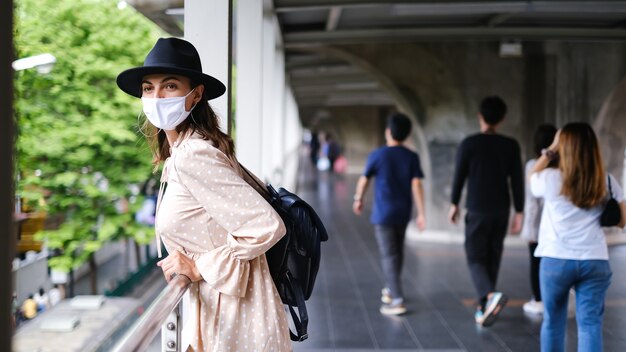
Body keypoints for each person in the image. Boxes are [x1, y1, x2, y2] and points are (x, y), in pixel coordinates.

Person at [117, 37, 291, 351]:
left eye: (170, 86)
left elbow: (267, 226)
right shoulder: (184, 150)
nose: (156, 96)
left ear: (195, 94)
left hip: (237, 314)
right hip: (222, 306)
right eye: (148, 88)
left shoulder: (193, 155)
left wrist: (199, 267)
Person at [530, 122, 626, 351]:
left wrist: (551, 148)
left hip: (556, 259)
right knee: (590, 325)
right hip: (594, 259)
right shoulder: (606, 180)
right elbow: (623, 220)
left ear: (563, 147)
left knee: (553, 322)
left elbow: (532, 176)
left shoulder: (551, 178)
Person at [448, 96, 524, 327]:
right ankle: (485, 307)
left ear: (480, 117)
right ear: (502, 119)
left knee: (474, 256)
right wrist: (519, 211)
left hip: (478, 209)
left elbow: (459, 176)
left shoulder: (469, 143)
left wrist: (454, 203)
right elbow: (517, 181)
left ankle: (490, 296)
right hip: (501, 209)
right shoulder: (511, 145)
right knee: (493, 256)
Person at [352, 113, 426, 315]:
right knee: (397, 252)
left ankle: (397, 300)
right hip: (403, 212)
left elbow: (364, 178)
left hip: (383, 214)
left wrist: (358, 198)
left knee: (389, 255)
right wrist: (421, 213)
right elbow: (417, 184)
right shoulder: (412, 156)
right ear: (408, 133)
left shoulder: (378, 154)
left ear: (388, 132)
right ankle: (391, 288)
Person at [521, 124, 557, 315]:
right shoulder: (563, 168)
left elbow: (531, 202)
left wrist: (529, 229)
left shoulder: (532, 167)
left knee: (536, 264)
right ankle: (550, 299)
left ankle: (538, 300)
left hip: (538, 226)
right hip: (556, 227)